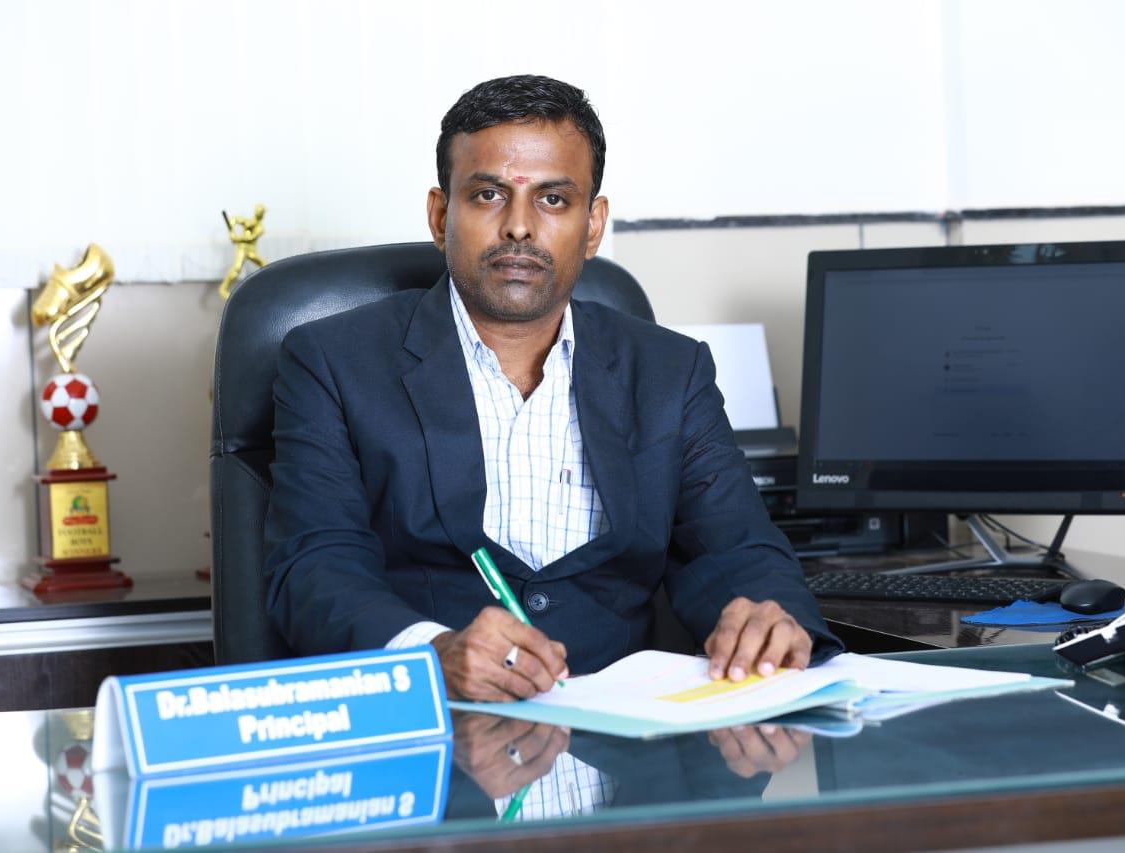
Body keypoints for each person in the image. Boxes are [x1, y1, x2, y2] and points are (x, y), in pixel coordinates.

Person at [264, 74, 842, 702]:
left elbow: (737, 549)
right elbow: (315, 568)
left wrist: (769, 619)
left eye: (554, 199)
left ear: (593, 226)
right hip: (438, 724)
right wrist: (430, 654)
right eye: (488, 194)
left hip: (628, 731)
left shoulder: (670, 371)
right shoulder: (333, 361)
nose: (519, 227)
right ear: (440, 215)